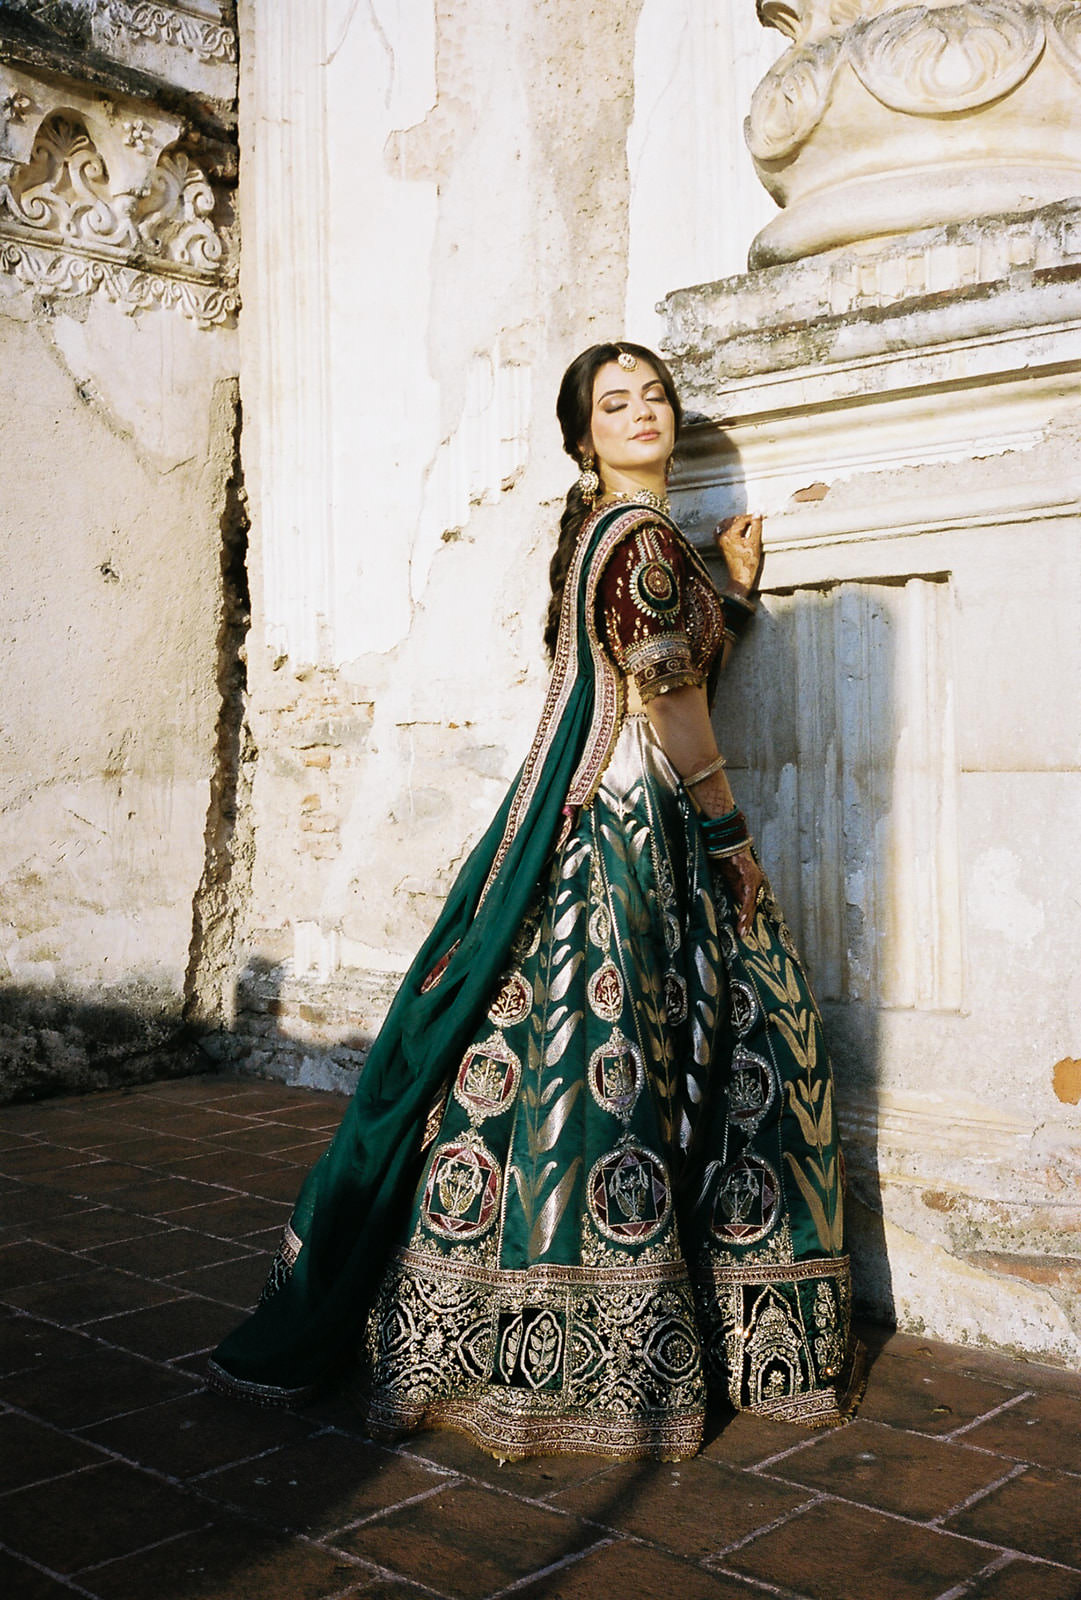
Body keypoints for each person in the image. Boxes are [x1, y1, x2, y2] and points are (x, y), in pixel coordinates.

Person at [209, 341, 864, 1459]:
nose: (643, 410)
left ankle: (473, 1322)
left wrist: (729, 597)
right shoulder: (640, 539)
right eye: (615, 403)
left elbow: (656, 661)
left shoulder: (612, 540)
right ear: (582, 441)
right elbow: (667, 695)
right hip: (631, 829)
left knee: (555, 1075)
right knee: (657, 1071)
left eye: (654, 394)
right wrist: (727, 831)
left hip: (589, 819)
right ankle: (604, 1347)